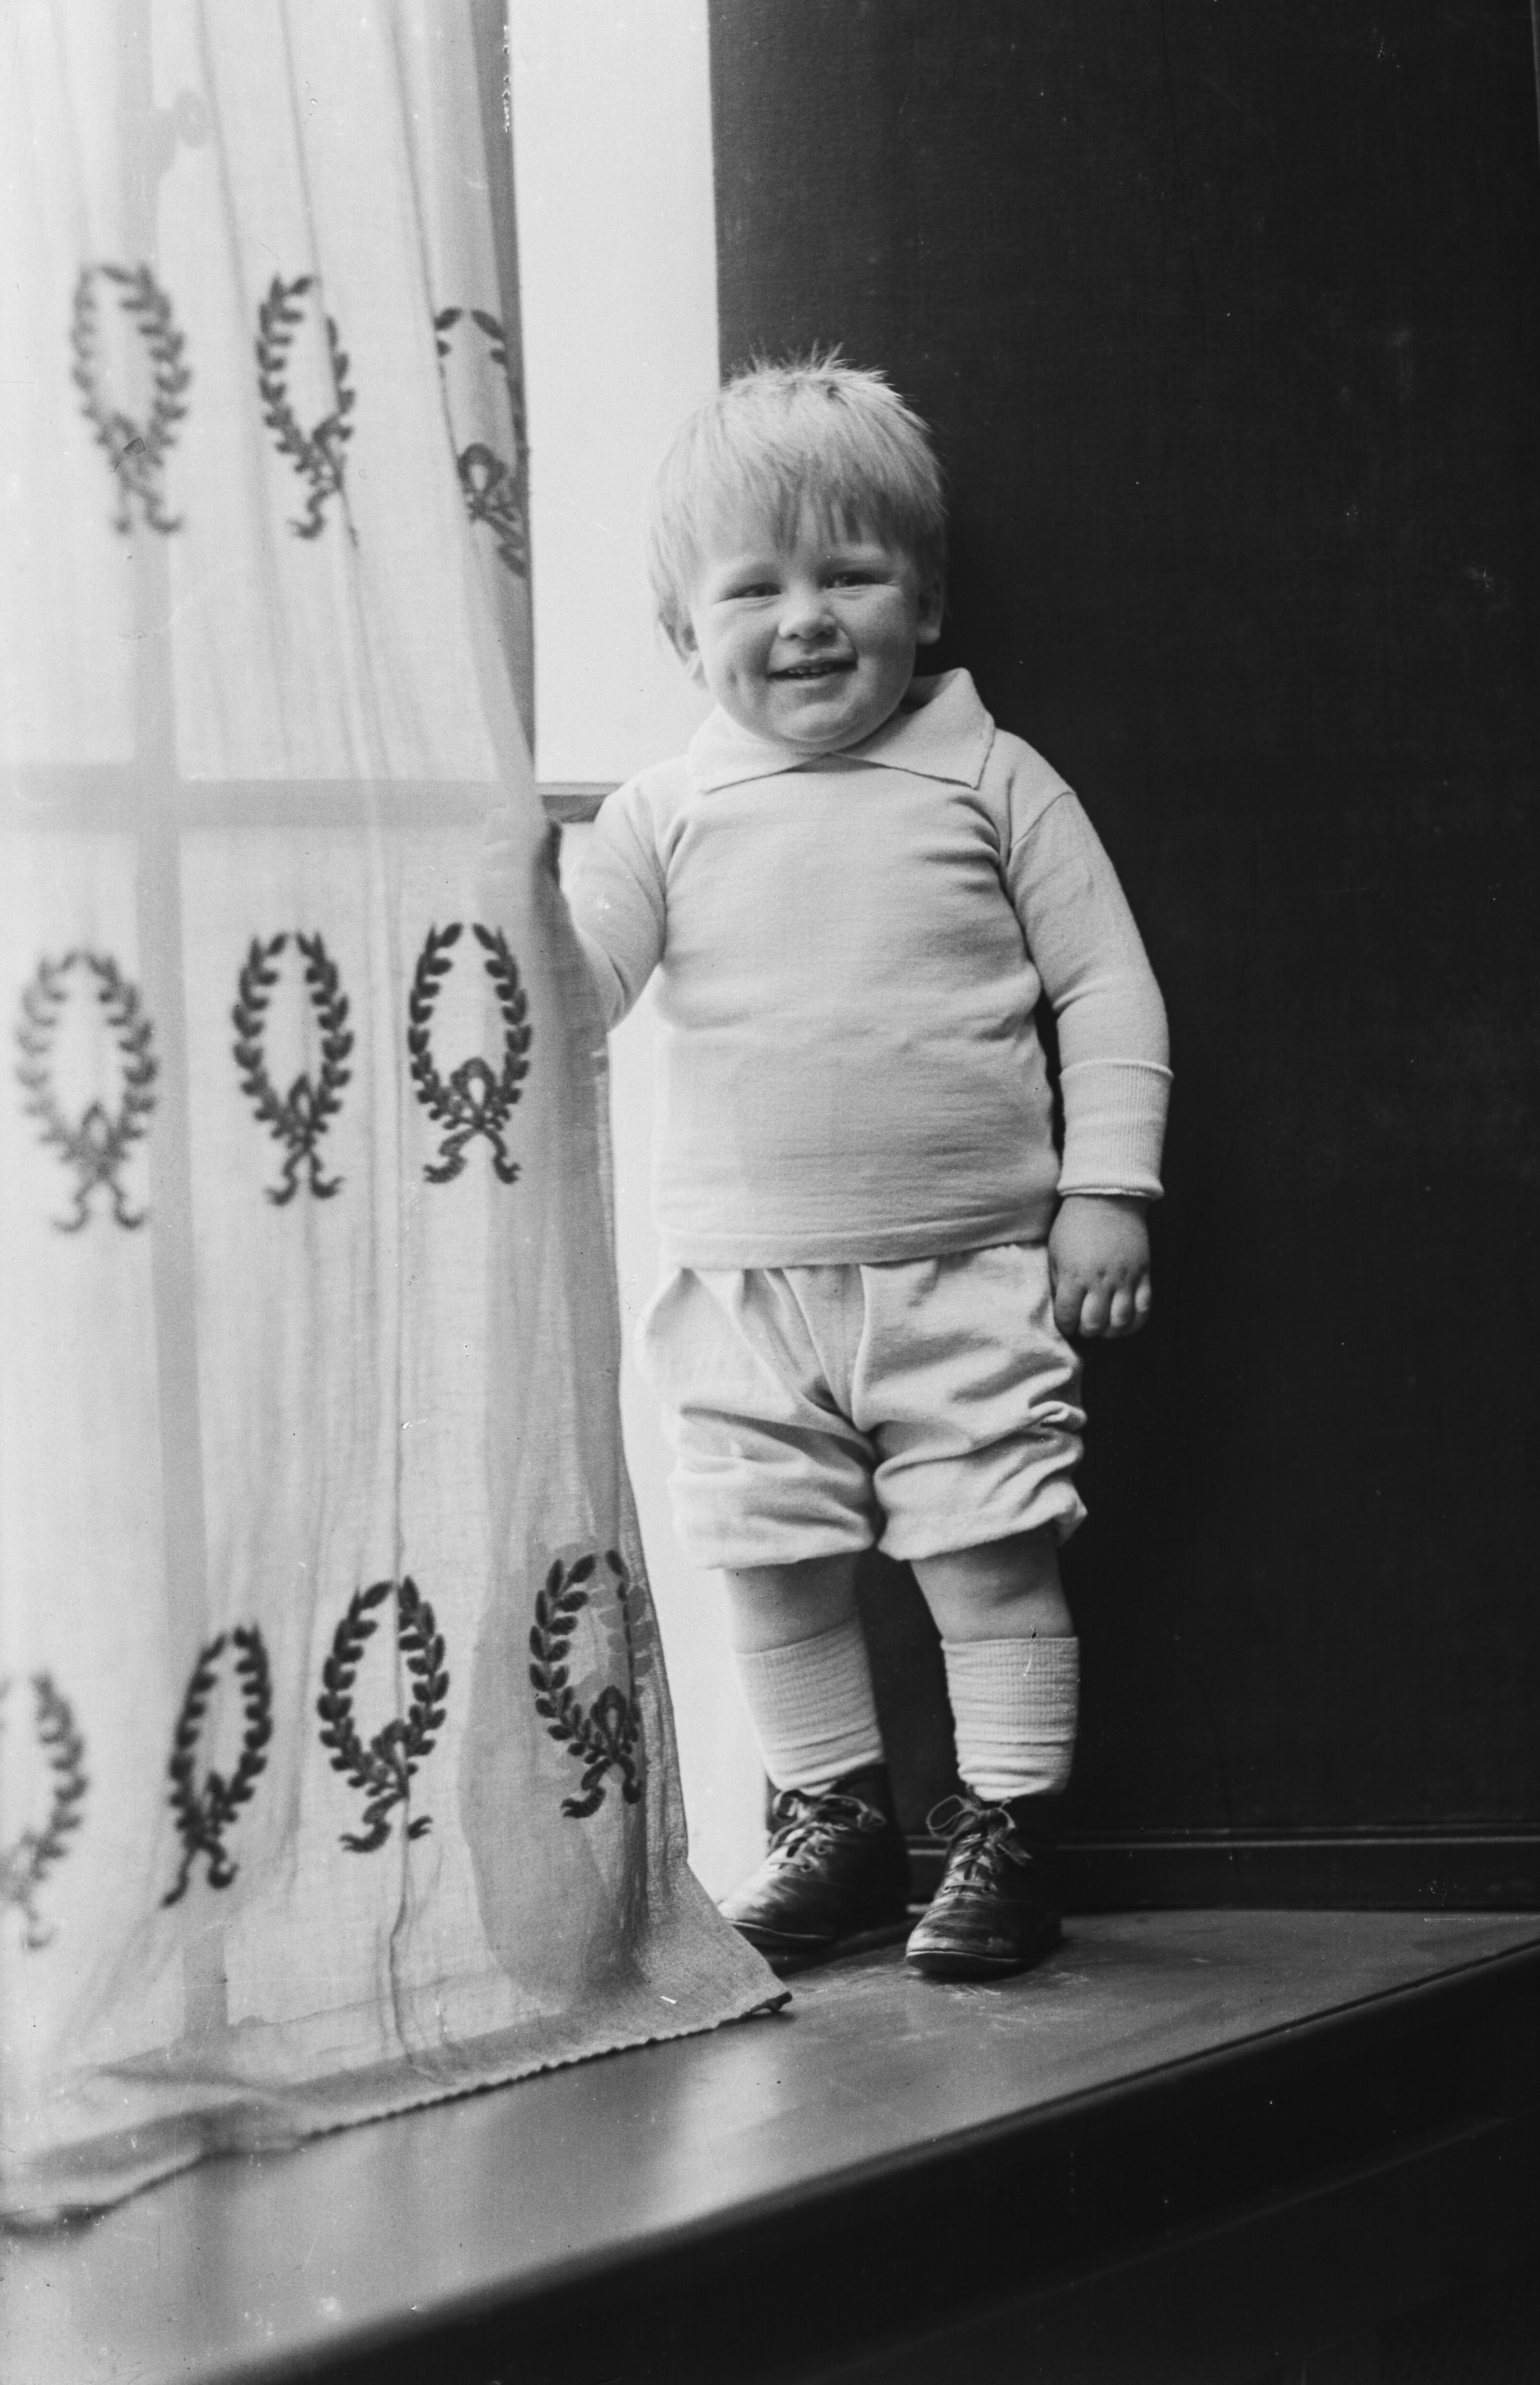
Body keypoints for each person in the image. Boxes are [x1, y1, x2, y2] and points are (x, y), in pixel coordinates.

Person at [563, 352, 1170, 1979]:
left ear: (929, 600)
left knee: (990, 1556)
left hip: (968, 1272)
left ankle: (1008, 1836)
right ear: (687, 637)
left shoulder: (990, 777)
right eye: (753, 588)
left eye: (852, 573)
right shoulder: (663, 812)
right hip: (743, 1286)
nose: (807, 617)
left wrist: (1108, 1184)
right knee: (768, 1570)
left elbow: (1106, 984)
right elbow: (579, 990)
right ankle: (834, 1827)